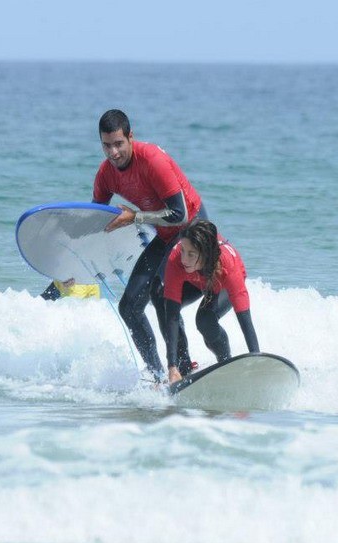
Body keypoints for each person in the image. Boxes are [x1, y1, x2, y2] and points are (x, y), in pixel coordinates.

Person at [93, 109, 208, 381]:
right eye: (106, 145)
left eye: (118, 144)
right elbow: (96, 220)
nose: (113, 152)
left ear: (130, 137)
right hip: (166, 234)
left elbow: (179, 213)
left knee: (161, 291)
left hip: (192, 228)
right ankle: (158, 376)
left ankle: (182, 367)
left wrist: (135, 217)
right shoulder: (106, 174)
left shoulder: (152, 160)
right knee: (129, 307)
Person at [162, 220, 260, 385]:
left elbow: (244, 319)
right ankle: (181, 368)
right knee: (161, 299)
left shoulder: (229, 266)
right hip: (195, 280)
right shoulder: (177, 258)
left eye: (191, 254)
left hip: (219, 281)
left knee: (205, 320)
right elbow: (171, 314)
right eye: (183, 250)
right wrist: (171, 366)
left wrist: (257, 360)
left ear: (205, 253)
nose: (183, 258)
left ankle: (224, 363)